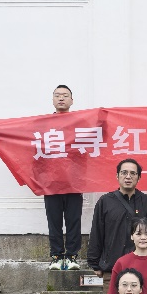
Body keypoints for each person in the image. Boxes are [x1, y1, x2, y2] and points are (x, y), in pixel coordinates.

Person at [86, 159, 147, 278]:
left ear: (139, 177)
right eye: (124, 173)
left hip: (141, 268)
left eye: (133, 173)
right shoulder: (105, 201)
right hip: (112, 268)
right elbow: (97, 232)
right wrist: (95, 264)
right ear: (117, 176)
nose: (128, 177)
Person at [44, 84, 82, 269]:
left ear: (71, 100)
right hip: (51, 182)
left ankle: (72, 256)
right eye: (57, 95)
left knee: (74, 220)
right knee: (54, 221)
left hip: (74, 181)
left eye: (65, 95)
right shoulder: (43, 125)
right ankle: (57, 256)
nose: (61, 98)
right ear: (52, 100)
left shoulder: (79, 124)